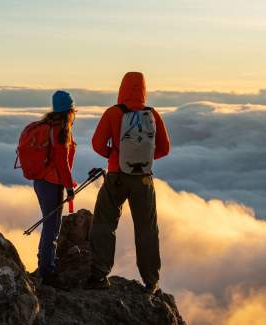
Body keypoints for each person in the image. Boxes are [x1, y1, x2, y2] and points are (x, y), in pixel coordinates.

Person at [85, 72, 170, 294]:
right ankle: (151, 281)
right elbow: (164, 148)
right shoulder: (152, 115)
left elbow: (97, 144)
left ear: (121, 88)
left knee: (104, 224)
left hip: (116, 176)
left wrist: (114, 156)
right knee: (146, 229)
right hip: (143, 179)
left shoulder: (113, 113)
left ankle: (99, 275)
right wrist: (143, 161)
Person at [33, 90, 77, 288]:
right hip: (52, 184)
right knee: (52, 228)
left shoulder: (47, 125)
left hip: (41, 182)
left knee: (49, 226)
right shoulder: (60, 130)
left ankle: (46, 265)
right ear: (69, 111)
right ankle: (47, 272)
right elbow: (62, 164)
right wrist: (69, 188)